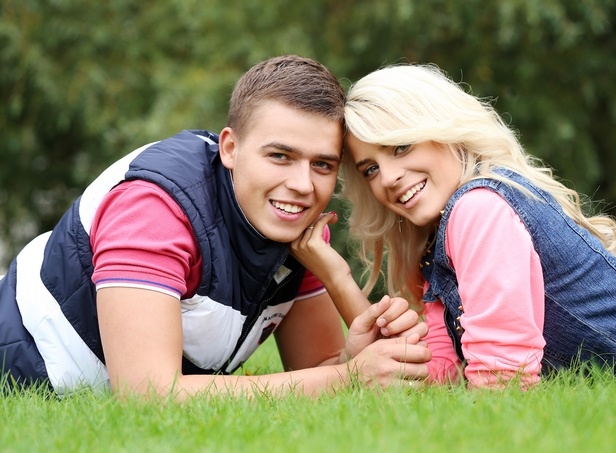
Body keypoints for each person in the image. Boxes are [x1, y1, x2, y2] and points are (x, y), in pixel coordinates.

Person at [0, 55, 431, 397]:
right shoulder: (156, 207)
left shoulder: (296, 232)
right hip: (21, 372)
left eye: (322, 164)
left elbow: (316, 373)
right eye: (280, 156)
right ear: (230, 148)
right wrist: (348, 377)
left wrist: (351, 360)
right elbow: (148, 394)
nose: (303, 185)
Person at [298, 63, 616, 389]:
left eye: (401, 147)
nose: (389, 177)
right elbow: (439, 373)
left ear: (444, 131)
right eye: (370, 169)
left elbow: (502, 378)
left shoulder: (479, 208)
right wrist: (337, 277)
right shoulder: (438, 239)